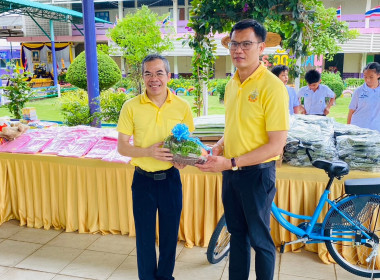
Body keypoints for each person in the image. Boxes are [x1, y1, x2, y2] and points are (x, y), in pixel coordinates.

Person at [197, 19, 289, 280]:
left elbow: (276, 144)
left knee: (260, 240)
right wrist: (218, 146)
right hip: (232, 173)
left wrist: (230, 162)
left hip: (257, 175)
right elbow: (234, 126)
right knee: (237, 235)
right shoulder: (232, 83)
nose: (239, 50)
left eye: (246, 44)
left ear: (261, 48)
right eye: (234, 44)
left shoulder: (273, 87)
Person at [117, 54, 194, 280]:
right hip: (143, 181)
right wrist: (147, 152)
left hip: (171, 180)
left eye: (159, 73)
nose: (154, 79)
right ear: (142, 77)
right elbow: (122, 146)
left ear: (168, 76)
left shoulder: (182, 106)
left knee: (170, 237)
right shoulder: (130, 106)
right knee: (144, 237)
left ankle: (165, 277)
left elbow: (186, 145)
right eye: (148, 73)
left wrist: (183, 161)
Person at [347, 62, 380, 132]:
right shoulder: (358, 91)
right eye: (365, 77)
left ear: (378, 75)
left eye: (371, 77)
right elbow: (351, 111)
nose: (368, 79)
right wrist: (348, 129)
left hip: (376, 130)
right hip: (358, 128)